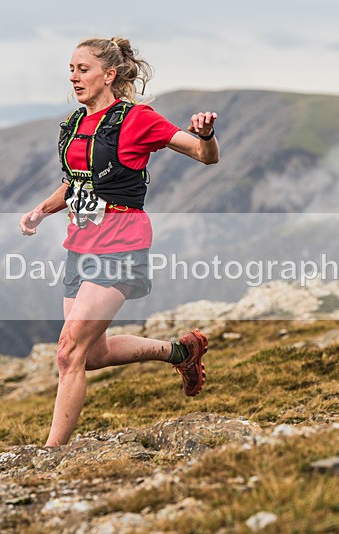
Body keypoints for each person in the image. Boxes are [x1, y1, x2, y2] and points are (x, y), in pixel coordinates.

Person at [19, 36, 219, 447]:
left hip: (121, 245)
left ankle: (50, 454)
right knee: (92, 355)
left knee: (67, 354)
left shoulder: (138, 119)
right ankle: (180, 352)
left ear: (109, 75)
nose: (74, 77)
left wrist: (208, 134)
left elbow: (204, 156)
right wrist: (41, 210)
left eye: (83, 69)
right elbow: (76, 184)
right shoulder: (75, 124)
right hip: (79, 246)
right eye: (71, 69)